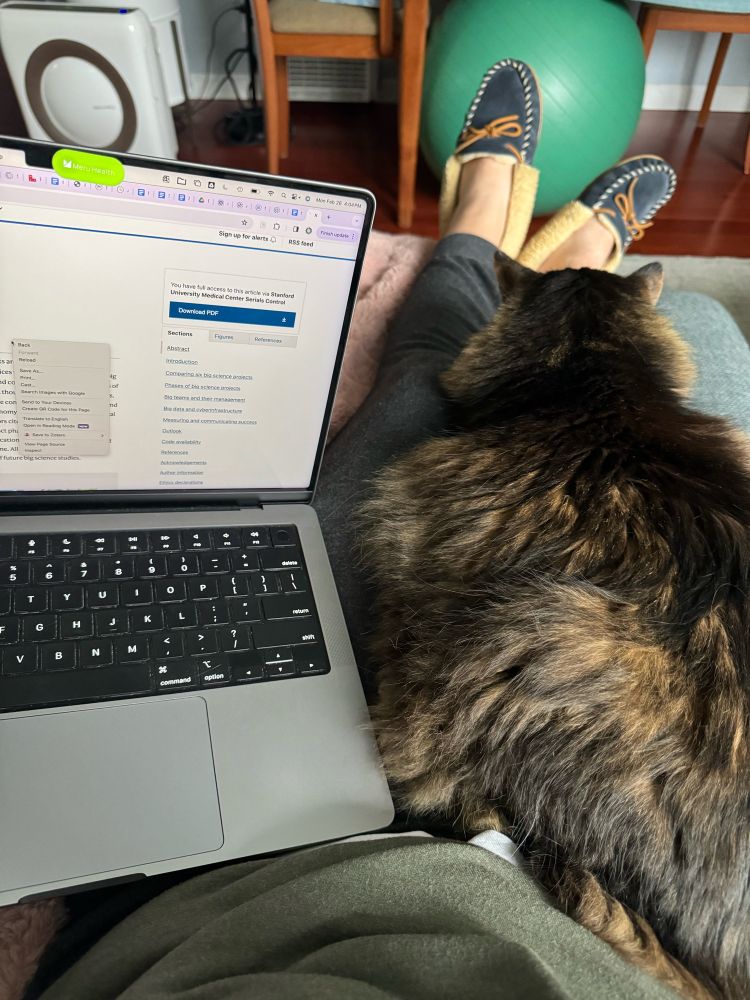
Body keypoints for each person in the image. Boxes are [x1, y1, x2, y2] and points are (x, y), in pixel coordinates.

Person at [27, 60, 750, 1000]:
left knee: (418, 378)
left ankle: (491, 235)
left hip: (218, 902)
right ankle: (565, 257)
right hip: (644, 906)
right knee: (681, 333)